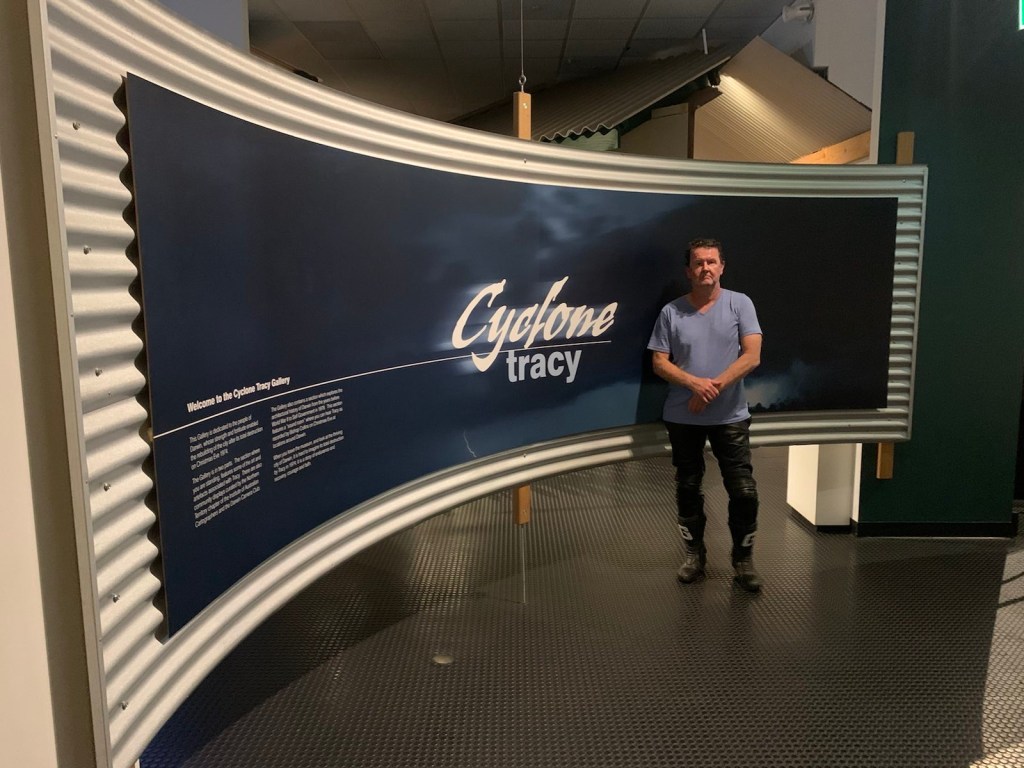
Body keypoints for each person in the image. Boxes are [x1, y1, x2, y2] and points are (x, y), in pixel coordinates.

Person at [647, 238, 764, 592]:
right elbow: (659, 362)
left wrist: (711, 388)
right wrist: (693, 384)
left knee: (743, 491)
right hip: (683, 417)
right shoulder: (671, 312)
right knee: (687, 487)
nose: (705, 268)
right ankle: (694, 555)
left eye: (711, 262)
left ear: (722, 267)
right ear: (689, 271)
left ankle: (743, 560)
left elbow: (752, 356)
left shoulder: (740, 304)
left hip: (730, 415)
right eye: (698, 263)